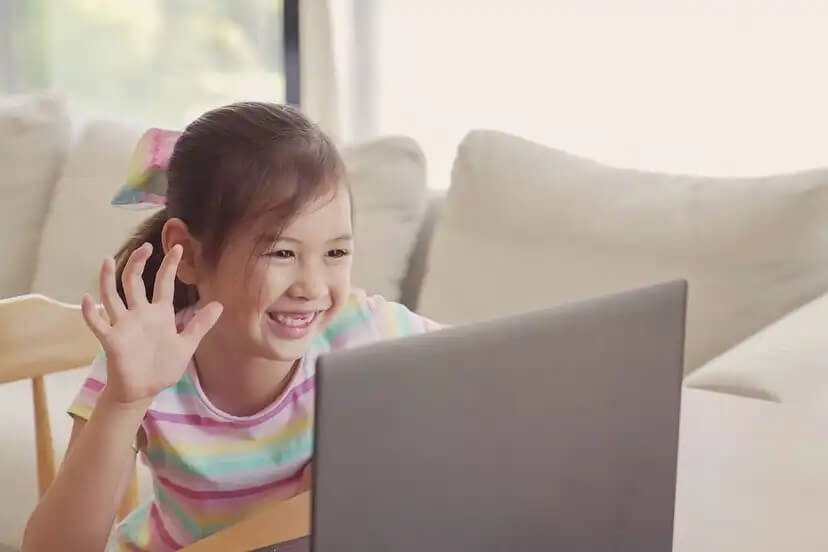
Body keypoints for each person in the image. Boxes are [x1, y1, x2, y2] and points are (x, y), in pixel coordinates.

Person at [22, 102, 440, 551]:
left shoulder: (365, 331)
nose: (313, 287)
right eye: (282, 253)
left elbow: (483, 372)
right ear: (189, 254)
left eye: (335, 253)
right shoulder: (143, 361)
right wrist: (125, 403)